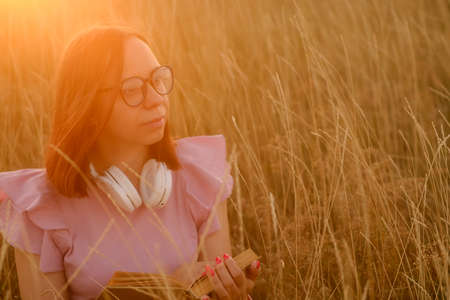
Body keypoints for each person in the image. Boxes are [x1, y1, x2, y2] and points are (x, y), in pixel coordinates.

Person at [0, 25, 260, 300]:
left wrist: (235, 295)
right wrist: (168, 284)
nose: (157, 99)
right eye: (133, 89)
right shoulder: (39, 209)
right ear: (87, 105)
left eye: (158, 79)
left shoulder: (198, 175)